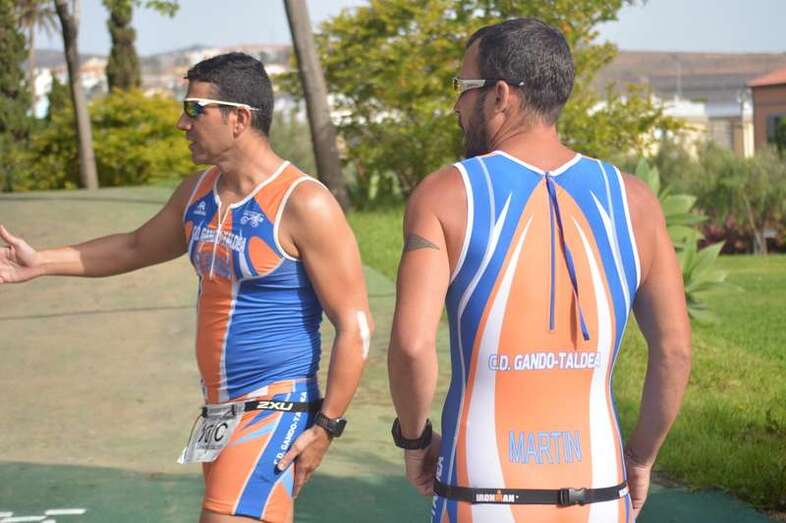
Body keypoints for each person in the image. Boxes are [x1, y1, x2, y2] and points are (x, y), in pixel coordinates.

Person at [0, 52, 373, 523]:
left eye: (195, 110)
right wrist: (39, 262)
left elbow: (356, 326)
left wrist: (326, 425)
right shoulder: (197, 192)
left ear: (239, 119)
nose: (182, 123)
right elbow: (135, 246)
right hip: (218, 413)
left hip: (274, 407)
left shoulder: (304, 202)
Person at [387, 18, 691, 523]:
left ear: (500, 95)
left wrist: (414, 440)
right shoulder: (634, 199)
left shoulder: (445, 194)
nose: (456, 107)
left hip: (482, 490)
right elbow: (675, 352)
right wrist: (640, 458)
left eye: (462, 87)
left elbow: (413, 345)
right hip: (600, 489)